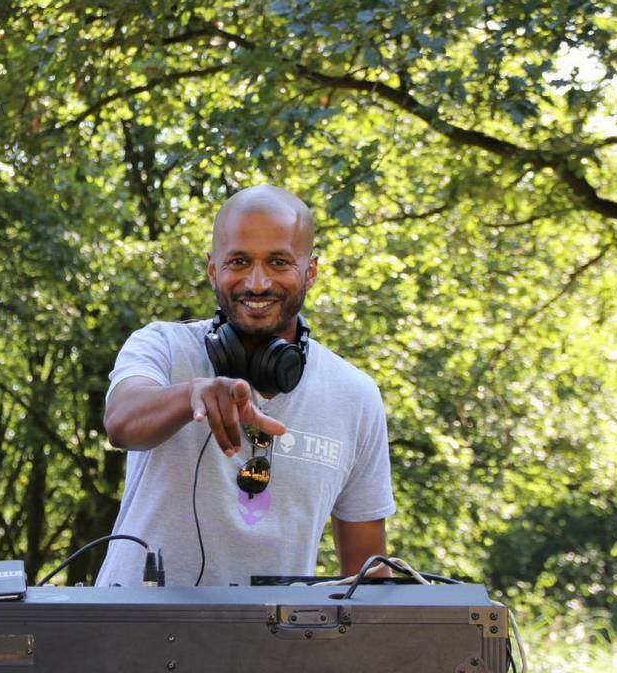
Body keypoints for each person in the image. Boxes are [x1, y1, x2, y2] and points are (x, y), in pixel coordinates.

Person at [95, 185, 395, 586]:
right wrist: (190, 395)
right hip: (132, 639)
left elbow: (369, 575)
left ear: (311, 272)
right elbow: (121, 421)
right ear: (212, 269)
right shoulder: (162, 346)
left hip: (273, 647)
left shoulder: (355, 395)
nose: (257, 283)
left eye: (278, 262)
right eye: (238, 261)